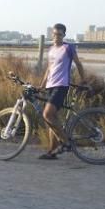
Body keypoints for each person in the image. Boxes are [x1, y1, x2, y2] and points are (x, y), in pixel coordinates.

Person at [37, 23, 86, 159]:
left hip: (61, 85)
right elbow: (49, 69)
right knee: (52, 119)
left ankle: (66, 142)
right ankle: (52, 152)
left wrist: (84, 80)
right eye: (54, 34)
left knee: (47, 115)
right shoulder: (51, 49)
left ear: (64, 35)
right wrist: (42, 85)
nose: (56, 36)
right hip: (50, 86)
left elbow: (78, 64)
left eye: (59, 34)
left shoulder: (68, 48)